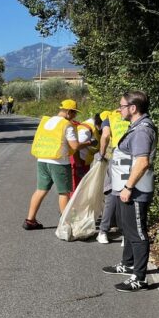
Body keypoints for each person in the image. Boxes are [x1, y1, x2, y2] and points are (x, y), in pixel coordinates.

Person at [102, 91, 157, 292]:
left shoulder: (142, 131)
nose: (119, 109)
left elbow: (142, 162)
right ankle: (127, 264)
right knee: (127, 229)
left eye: (122, 106)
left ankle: (139, 278)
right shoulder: (136, 128)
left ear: (133, 108)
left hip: (134, 190)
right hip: (126, 189)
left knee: (137, 233)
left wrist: (128, 187)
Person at [23, 99, 92, 230]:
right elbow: (75, 146)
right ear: (69, 112)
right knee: (64, 193)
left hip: (42, 160)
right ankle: (66, 225)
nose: (74, 116)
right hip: (59, 162)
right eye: (74, 113)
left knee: (41, 190)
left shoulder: (46, 121)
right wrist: (88, 143)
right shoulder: (67, 125)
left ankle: (30, 220)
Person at [96, 109, 131, 244]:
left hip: (119, 158)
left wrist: (101, 154)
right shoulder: (135, 117)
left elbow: (105, 136)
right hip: (134, 158)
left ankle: (103, 231)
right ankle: (125, 235)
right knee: (128, 193)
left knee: (111, 193)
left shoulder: (110, 117)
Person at [71, 113, 101, 193]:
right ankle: (74, 205)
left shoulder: (92, 126)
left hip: (84, 161)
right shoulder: (86, 130)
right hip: (78, 161)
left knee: (82, 187)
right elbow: (75, 147)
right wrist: (78, 165)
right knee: (77, 189)